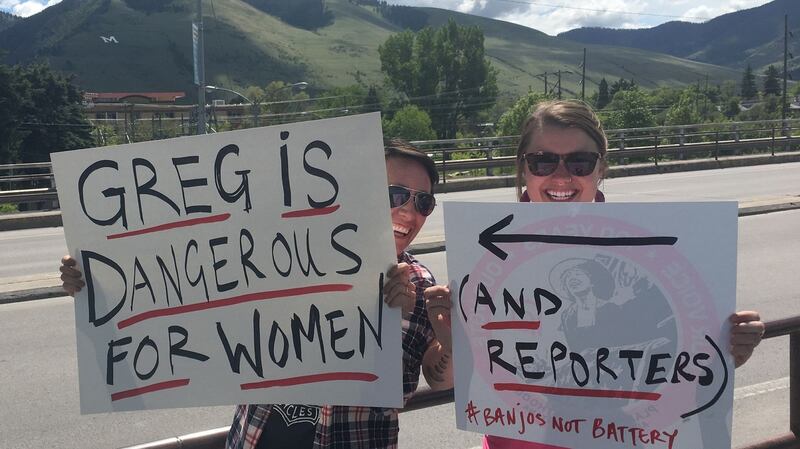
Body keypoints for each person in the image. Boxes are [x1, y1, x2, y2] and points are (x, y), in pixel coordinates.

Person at [60, 139, 454, 449]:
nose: (409, 211)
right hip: (256, 437)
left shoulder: (421, 284)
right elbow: (182, 291)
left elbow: (438, 378)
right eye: (395, 194)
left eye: (423, 201)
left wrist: (446, 334)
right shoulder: (281, 254)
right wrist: (99, 280)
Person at [423, 100, 766, 449]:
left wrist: (724, 344)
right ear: (523, 168)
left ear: (601, 168)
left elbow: (678, 352)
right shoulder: (480, 252)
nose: (561, 176)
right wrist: (452, 340)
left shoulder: (644, 251)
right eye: (542, 161)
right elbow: (442, 382)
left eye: (580, 161)